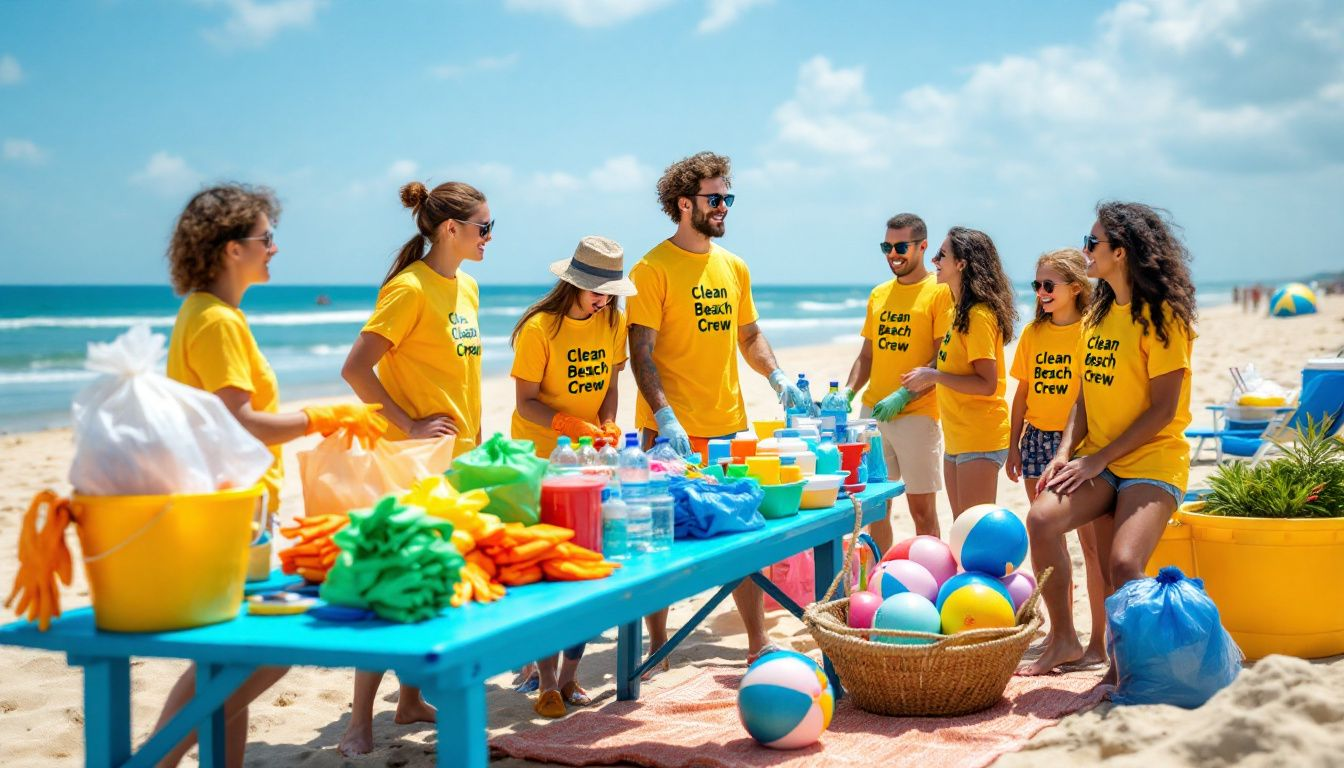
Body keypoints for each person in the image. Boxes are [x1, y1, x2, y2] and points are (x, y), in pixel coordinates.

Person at [152, 184, 384, 768]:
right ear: (233, 248)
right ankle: (155, 759)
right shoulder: (217, 321)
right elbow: (242, 422)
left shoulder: (209, 314)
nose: (274, 249)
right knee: (266, 652)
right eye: (266, 238)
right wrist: (324, 414)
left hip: (230, 505)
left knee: (230, 656)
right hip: (229, 509)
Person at [627, 151, 808, 666]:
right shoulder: (652, 269)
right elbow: (640, 354)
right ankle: (657, 643)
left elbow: (748, 336)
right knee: (662, 543)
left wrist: (775, 376)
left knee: (742, 539)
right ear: (684, 204)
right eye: (715, 198)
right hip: (670, 435)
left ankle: (757, 640)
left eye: (728, 197)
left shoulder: (733, 267)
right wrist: (665, 417)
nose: (724, 206)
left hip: (731, 429)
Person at [339, 179, 490, 754]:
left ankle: (408, 701)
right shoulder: (409, 289)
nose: (490, 237)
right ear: (449, 229)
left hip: (459, 460)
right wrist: (408, 424)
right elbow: (356, 371)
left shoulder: (467, 287)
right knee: (391, 586)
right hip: (410, 463)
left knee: (432, 584)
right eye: (484, 227)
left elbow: (460, 378)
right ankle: (358, 724)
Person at [1022, 201, 1196, 676]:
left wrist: (1097, 459)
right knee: (1040, 520)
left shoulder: (1162, 316)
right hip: (1100, 461)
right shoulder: (1098, 313)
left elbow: (1163, 410)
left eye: (1092, 242)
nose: (1086, 250)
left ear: (1121, 252)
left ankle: (1133, 665)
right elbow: (1082, 393)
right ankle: (1064, 638)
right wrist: (1064, 453)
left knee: (1122, 563)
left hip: (1153, 462)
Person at [509, 235, 634, 716]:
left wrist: (604, 424)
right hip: (541, 460)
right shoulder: (540, 328)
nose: (603, 297)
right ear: (573, 284)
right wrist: (566, 424)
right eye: (595, 289)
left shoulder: (613, 321)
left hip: (589, 460)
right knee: (549, 571)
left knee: (586, 567)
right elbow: (525, 403)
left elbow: (609, 385)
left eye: (610, 290)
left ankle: (569, 678)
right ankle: (541, 677)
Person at [1005, 248, 1107, 666]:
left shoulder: (1090, 330)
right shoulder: (1033, 334)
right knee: (1049, 541)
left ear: (1076, 288)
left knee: (1092, 547)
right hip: (1036, 441)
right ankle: (1061, 634)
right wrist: (1013, 444)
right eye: (1037, 285)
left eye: (1050, 285)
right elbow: (1022, 393)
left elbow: (1091, 398)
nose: (1042, 292)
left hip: (1079, 445)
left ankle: (1099, 640)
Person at [845, 213, 952, 550]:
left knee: (922, 511)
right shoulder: (879, 294)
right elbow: (867, 356)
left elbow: (942, 357)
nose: (893, 253)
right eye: (886, 246)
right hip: (873, 414)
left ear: (922, 246)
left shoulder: (939, 292)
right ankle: (878, 574)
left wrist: (904, 395)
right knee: (876, 509)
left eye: (901, 246)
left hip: (917, 415)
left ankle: (930, 577)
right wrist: (848, 392)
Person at [902, 227, 1017, 516]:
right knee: (961, 528)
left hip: (979, 435)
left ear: (961, 263)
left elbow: (987, 384)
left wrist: (935, 376)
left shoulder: (979, 315)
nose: (934, 261)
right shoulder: (957, 312)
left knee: (974, 531)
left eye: (941, 255)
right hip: (957, 436)